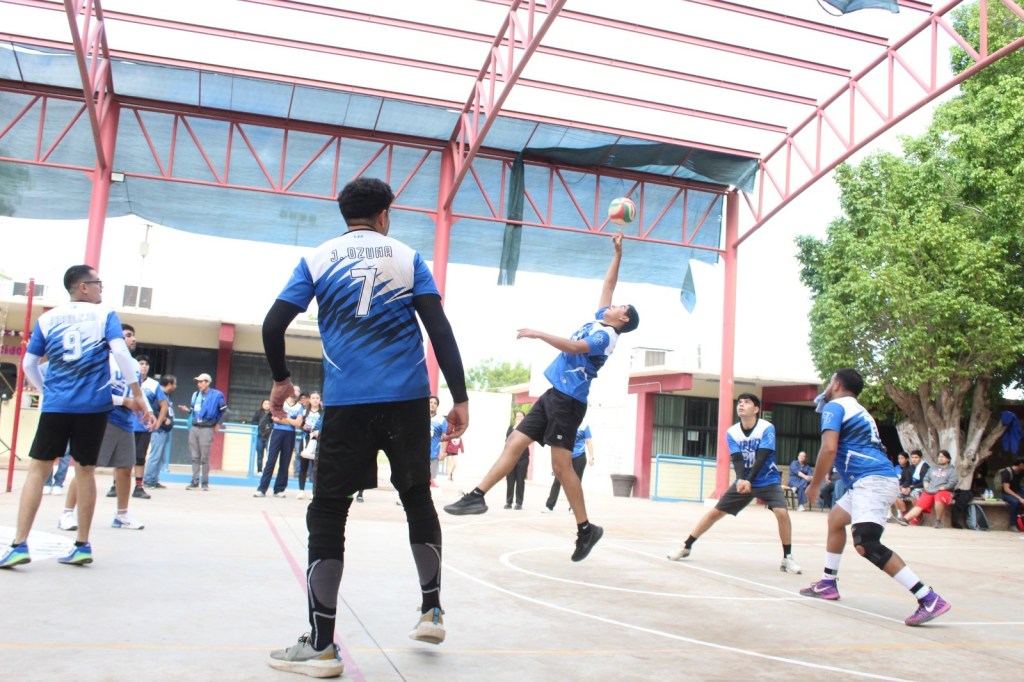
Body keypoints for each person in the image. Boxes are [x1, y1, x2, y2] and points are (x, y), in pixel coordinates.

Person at [261, 177, 469, 676]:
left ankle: (322, 644)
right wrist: (459, 398)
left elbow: (273, 324)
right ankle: (431, 609)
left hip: (348, 403)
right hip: (406, 402)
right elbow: (439, 330)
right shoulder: (408, 257)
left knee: (329, 511)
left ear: (345, 214)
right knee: (417, 497)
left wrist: (282, 381)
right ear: (385, 213)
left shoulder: (317, 259)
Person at [445, 231, 638, 564]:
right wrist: (618, 254)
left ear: (623, 319)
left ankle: (585, 529)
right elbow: (608, 286)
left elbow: (575, 347)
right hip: (553, 395)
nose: (615, 303)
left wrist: (538, 333)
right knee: (514, 443)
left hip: (568, 402)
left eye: (621, 306)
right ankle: (476, 497)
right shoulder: (600, 318)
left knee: (562, 469)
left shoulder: (606, 336)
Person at [2, 265, 153, 569]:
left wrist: (49, 391)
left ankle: (19, 544)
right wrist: (138, 394)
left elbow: (29, 364)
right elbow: (122, 355)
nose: (101, 288)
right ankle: (82, 544)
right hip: (93, 407)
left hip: (57, 406)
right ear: (83, 287)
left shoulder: (47, 319)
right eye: (98, 283)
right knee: (85, 471)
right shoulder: (105, 315)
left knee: (37, 470)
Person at [800, 369, 950, 626]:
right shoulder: (857, 408)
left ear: (836, 384)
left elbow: (828, 448)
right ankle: (828, 582)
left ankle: (927, 597)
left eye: (829, 382)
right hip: (869, 480)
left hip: (872, 480)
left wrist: (814, 484)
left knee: (866, 543)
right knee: (836, 520)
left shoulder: (835, 408)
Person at [668, 394, 801, 574]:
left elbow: (762, 456)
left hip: (767, 478)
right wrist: (741, 479)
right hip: (744, 479)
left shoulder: (766, 428)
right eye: (740, 402)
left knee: (782, 512)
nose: (741, 405)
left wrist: (748, 480)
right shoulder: (732, 432)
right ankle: (686, 546)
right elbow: (737, 458)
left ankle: (787, 558)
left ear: (756, 409)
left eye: (746, 402)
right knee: (715, 513)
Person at [61, 324, 155, 532]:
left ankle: (122, 515)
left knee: (124, 469)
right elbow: (93, 391)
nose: (132, 339)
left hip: (125, 422)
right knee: (86, 468)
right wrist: (124, 401)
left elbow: (137, 394)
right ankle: (67, 513)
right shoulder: (101, 359)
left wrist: (148, 411)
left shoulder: (131, 364)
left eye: (133, 336)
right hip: (102, 418)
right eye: (128, 335)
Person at [128, 350, 168, 499]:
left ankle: (139, 486)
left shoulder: (153, 384)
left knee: (140, 457)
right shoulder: (128, 380)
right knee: (122, 457)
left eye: (146, 364)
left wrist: (158, 422)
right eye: (141, 363)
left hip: (144, 427)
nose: (143, 366)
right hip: (126, 425)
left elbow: (164, 405)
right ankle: (115, 485)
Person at [177, 372, 226, 491]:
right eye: (197, 382)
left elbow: (224, 411)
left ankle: (205, 482)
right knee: (194, 456)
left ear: (208, 382)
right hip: (194, 427)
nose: (198, 384)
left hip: (207, 428)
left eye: (201, 381)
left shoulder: (216, 395)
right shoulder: (196, 395)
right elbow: (195, 412)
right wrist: (187, 410)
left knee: (204, 456)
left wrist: (218, 424)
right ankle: (194, 481)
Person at [255, 393, 303, 498]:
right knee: (271, 461)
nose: (295, 393)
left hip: (290, 435)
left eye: (297, 391)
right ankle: (262, 488)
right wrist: (292, 421)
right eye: (293, 390)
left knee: (285, 462)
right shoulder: (280, 403)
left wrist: (285, 419)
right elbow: (275, 418)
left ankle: (279, 489)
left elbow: (298, 423)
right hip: (277, 432)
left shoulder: (300, 407)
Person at [899, 450, 959, 528]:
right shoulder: (933, 468)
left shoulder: (952, 470)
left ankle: (938, 521)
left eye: (943, 457)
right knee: (920, 505)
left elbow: (953, 482)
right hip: (931, 490)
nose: (940, 458)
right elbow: (926, 478)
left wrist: (944, 487)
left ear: (948, 459)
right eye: (939, 457)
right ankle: (906, 519)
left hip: (944, 491)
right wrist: (926, 485)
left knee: (939, 499)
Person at [543, 423, 593, 512]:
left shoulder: (584, 425)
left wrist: (591, 457)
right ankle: (549, 506)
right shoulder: (565, 422)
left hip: (579, 457)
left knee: (576, 483)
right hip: (564, 456)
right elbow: (557, 441)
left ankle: (573, 507)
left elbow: (588, 441)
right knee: (557, 481)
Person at [143, 374, 177, 489]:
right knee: (155, 455)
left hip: (165, 431)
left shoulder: (166, 396)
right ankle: (148, 480)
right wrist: (163, 419)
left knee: (161, 457)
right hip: (159, 430)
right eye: (174, 384)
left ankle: (154, 479)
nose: (175, 386)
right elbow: (153, 410)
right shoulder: (159, 395)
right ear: (169, 384)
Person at [296, 392, 323, 500]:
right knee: (303, 466)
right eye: (313, 398)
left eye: (317, 398)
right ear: (309, 400)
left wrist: (318, 432)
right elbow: (299, 425)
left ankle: (314, 491)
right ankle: (301, 490)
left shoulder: (322, 413)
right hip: (306, 440)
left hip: (317, 441)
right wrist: (304, 427)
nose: (315, 400)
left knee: (315, 468)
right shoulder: (304, 412)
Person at [504, 411, 530, 510]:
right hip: (511, 457)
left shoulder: (527, 427)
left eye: (521, 416)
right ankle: (508, 502)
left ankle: (519, 503)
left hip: (522, 457)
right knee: (510, 480)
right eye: (517, 416)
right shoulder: (511, 428)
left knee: (520, 480)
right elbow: (507, 440)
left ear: (524, 417)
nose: (519, 417)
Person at [997, 458, 1024, 528]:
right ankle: (1013, 524)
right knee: (1015, 502)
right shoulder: (1007, 472)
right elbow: (1006, 489)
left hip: (1018, 491)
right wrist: (1020, 498)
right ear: (1021, 465)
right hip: (1007, 493)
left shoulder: (1021, 471)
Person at [429, 396, 447, 488]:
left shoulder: (442, 420)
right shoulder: (419, 417)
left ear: (437, 406)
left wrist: (443, 452)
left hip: (433, 454)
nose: (432, 405)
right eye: (430, 402)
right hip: (418, 453)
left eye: (435, 403)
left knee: (429, 478)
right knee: (414, 476)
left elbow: (445, 437)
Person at [252, 398, 273, 474]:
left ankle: (267, 471)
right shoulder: (258, 413)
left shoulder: (272, 414)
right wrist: (260, 425)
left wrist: (269, 426)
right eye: (265, 404)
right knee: (260, 455)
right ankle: (259, 470)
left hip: (269, 437)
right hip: (260, 437)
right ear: (262, 405)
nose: (267, 405)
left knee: (270, 455)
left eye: (269, 404)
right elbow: (253, 422)